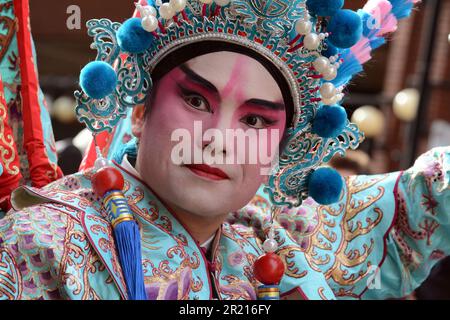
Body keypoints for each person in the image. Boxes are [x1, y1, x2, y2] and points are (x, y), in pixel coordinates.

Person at [1, 0, 449, 300]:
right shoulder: (39, 244)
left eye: (255, 120)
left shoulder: (275, 243)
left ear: (280, 149)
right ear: (140, 110)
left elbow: (427, 200)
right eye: (196, 100)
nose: (217, 139)